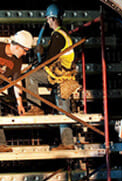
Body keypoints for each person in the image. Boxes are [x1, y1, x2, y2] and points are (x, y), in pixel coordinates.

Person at [26, 3, 82, 151]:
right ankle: (68, 142)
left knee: (31, 76)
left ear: (51, 18)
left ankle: (35, 107)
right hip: (64, 76)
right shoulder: (63, 34)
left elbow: (50, 58)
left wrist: (40, 53)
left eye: (48, 18)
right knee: (63, 109)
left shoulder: (58, 35)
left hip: (58, 75)